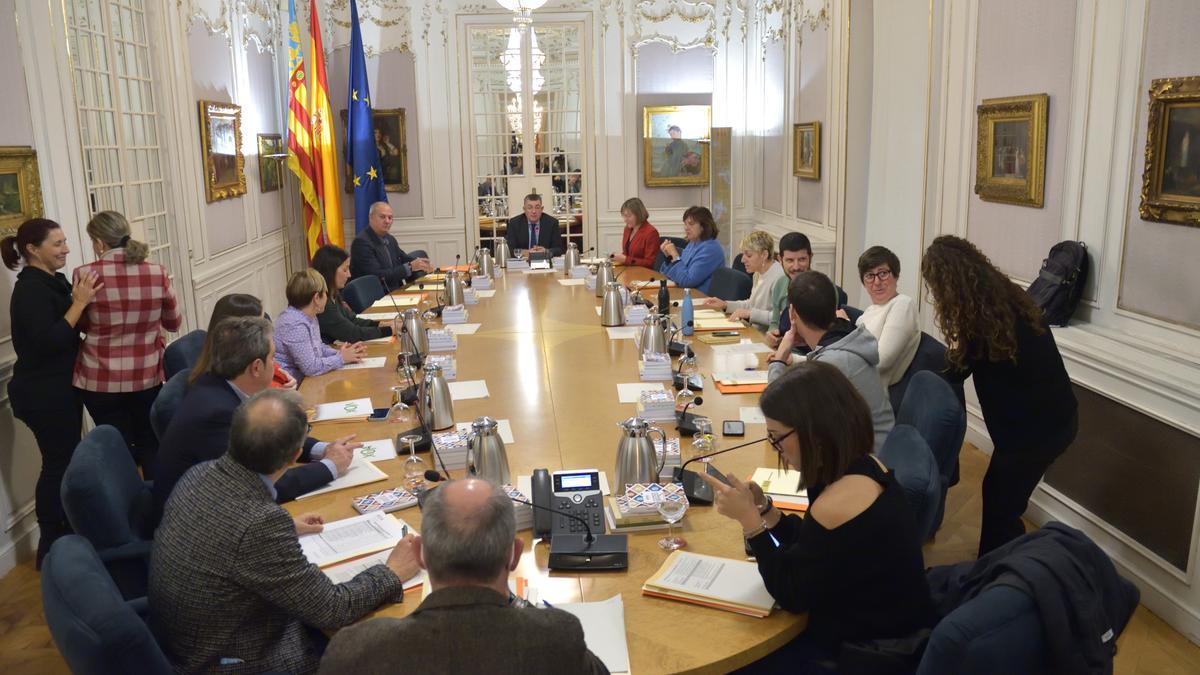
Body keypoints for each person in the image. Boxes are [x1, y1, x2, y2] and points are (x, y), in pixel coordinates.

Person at [150, 389, 419, 674]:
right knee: (383, 648)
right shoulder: (259, 523)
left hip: (183, 641)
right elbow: (334, 609)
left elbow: (217, 531)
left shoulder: (200, 473)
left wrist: (284, 527)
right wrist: (392, 571)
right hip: (232, 660)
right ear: (295, 457)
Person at [700, 362, 934, 671]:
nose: (777, 448)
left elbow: (792, 593)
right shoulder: (860, 465)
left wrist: (750, 523)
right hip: (886, 619)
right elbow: (814, 544)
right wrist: (765, 509)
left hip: (867, 652)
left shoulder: (838, 501)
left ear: (814, 431)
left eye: (777, 437)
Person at [318, 478, 607, 674]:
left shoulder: (353, 651)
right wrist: (519, 605)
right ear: (515, 555)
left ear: (420, 554)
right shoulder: (555, 635)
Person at [922, 235, 1077, 556]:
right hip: (1056, 419)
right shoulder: (1003, 300)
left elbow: (958, 369)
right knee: (1001, 501)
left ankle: (1001, 577)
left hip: (1037, 432)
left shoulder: (981, 321)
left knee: (1000, 506)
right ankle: (1003, 572)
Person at [154, 316, 355, 520]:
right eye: (273, 357)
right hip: (192, 527)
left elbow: (270, 437)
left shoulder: (221, 385)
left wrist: (323, 450)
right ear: (256, 367)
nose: (276, 365)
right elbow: (260, 484)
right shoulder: (217, 415)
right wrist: (330, 467)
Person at [2, 219, 102, 566]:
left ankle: (66, 535)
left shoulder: (52, 281)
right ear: (33, 249)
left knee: (65, 460)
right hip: (42, 393)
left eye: (64, 242)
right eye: (57, 244)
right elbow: (48, 343)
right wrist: (79, 303)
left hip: (58, 387)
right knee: (58, 464)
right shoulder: (29, 291)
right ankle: (50, 545)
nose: (66, 249)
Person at [73, 211, 181, 474]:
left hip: (99, 378)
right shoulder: (156, 272)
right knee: (149, 440)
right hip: (145, 374)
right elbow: (173, 322)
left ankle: (126, 506)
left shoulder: (85, 274)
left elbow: (81, 324)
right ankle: (157, 503)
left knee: (115, 446)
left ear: (99, 243)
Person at [767, 271, 894, 452]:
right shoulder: (848, 339)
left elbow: (777, 417)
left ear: (792, 313)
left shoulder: (831, 364)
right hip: (872, 449)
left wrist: (779, 359)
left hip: (863, 464)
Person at [188, 293, 296, 390]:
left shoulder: (247, 360)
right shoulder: (227, 379)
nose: (265, 329)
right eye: (261, 324)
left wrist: (284, 378)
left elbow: (273, 369)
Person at [274, 269, 364, 383]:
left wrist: (341, 353)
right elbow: (310, 368)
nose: (327, 297)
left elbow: (318, 347)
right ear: (316, 298)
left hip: (306, 380)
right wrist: (341, 358)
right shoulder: (294, 324)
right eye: (325, 293)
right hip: (290, 387)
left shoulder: (310, 315)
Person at [855, 246, 920, 386]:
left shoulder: (903, 304)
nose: (877, 282)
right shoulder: (869, 312)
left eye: (883, 273)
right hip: (855, 381)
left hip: (871, 393)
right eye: (869, 276)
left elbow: (882, 360)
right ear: (864, 283)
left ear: (896, 275)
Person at [311, 244, 396, 344]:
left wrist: (382, 324)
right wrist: (390, 330)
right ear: (330, 271)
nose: (349, 275)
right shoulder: (322, 302)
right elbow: (352, 334)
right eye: (345, 269)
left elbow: (353, 320)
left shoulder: (333, 293)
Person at [703, 230, 784, 331]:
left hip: (767, 339)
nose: (742, 260)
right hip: (754, 332)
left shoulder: (779, 278)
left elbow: (781, 318)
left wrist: (750, 313)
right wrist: (725, 304)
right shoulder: (758, 272)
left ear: (764, 255)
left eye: (749, 255)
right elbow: (751, 304)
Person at [349, 201, 433, 290]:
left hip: (395, 291)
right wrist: (410, 267)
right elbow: (377, 276)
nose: (387, 221)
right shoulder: (361, 242)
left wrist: (422, 264)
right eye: (382, 217)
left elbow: (403, 258)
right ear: (371, 218)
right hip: (378, 295)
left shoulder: (389, 238)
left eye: (390, 218)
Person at [659, 205, 725, 294]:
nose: (686, 228)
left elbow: (687, 281)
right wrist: (669, 258)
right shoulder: (693, 243)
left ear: (704, 226)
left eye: (691, 224)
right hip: (685, 293)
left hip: (701, 299)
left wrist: (675, 256)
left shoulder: (710, 249)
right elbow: (672, 275)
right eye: (685, 224)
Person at [765, 232, 814, 348]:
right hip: (783, 350)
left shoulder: (823, 288)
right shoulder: (780, 284)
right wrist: (771, 334)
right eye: (790, 261)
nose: (796, 267)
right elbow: (774, 323)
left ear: (810, 257)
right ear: (780, 259)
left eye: (802, 259)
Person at [505, 193, 564, 259]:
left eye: (537, 207)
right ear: (524, 209)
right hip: (522, 264)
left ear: (542, 209)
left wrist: (546, 251)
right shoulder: (514, 223)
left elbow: (559, 250)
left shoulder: (552, 223)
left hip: (544, 263)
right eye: (530, 207)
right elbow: (509, 250)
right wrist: (527, 252)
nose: (533, 211)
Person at [611, 197, 660, 269]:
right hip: (628, 271)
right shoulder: (627, 229)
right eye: (624, 216)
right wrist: (618, 257)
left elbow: (650, 263)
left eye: (628, 216)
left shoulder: (651, 232)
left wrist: (625, 259)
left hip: (643, 274)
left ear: (639, 214)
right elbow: (627, 254)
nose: (625, 219)